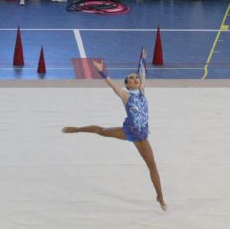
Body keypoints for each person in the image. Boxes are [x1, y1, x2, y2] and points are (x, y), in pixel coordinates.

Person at [63, 52, 166, 211]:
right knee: (102, 131)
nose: (135, 79)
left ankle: (160, 196)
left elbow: (142, 72)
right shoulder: (125, 95)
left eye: (136, 78)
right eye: (131, 78)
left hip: (142, 135)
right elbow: (111, 84)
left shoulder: (142, 91)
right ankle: (77, 129)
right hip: (129, 131)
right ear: (127, 85)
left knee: (152, 165)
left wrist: (142, 59)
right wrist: (101, 70)